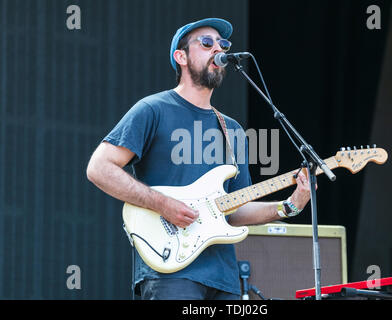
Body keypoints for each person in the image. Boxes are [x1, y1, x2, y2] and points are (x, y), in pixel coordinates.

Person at [86, 18, 313, 300]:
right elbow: (99, 168)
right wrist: (163, 204)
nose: (218, 48)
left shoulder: (232, 131)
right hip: (171, 272)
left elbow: (235, 209)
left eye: (223, 44)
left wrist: (290, 205)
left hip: (224, 280)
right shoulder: (152, 110)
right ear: (180, 57)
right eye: (206, 42)